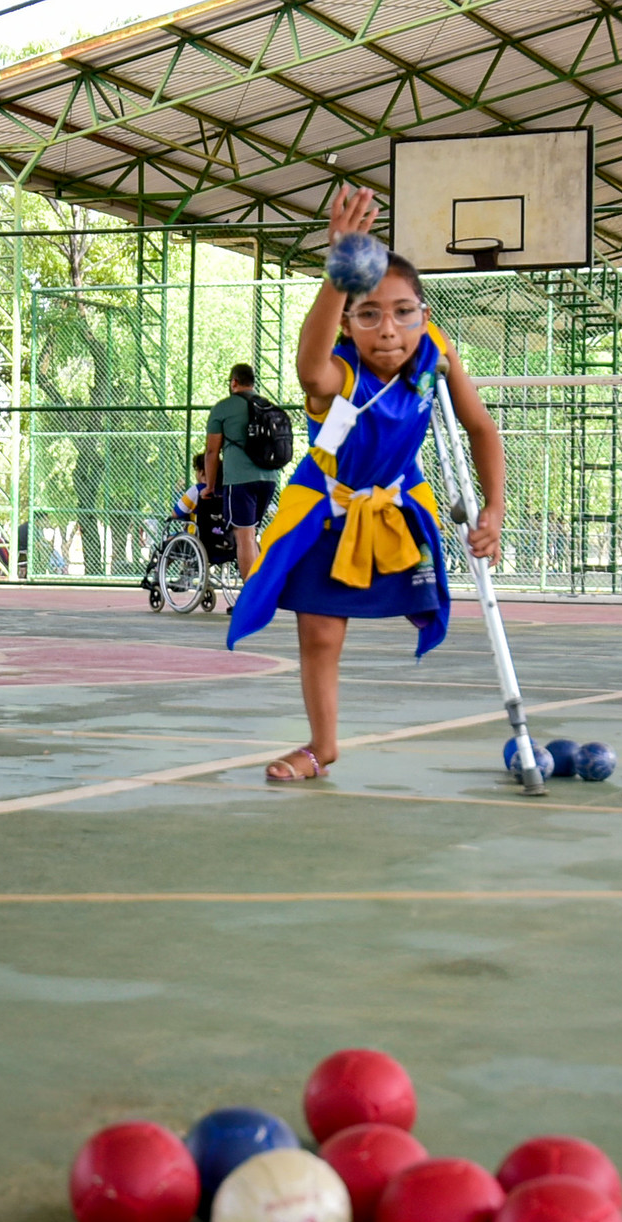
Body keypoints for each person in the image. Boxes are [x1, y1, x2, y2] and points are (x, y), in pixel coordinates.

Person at [226, 186, 506, 781]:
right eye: (369, 313)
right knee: (321, 632)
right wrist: (338, 272)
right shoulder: (337, 373)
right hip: (327, 506)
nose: (388, 329)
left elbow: (481, 429)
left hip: (400, 505)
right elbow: (308, 364)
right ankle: (320, 748)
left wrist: (494, 512)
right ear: (348, 326)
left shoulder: (436, 357)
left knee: (421, 603)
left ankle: (409, 598)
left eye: (404, 311)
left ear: (423, 317)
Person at [204, 362, 283, 578]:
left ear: (234, 382)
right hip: (269, 478)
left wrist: (210, 486)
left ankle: (251, 596)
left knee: (244, 535)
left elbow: (212, 452)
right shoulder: (266, 405)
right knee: (251, 533)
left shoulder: (223, 408)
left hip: (240, 480)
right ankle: (257, 586)